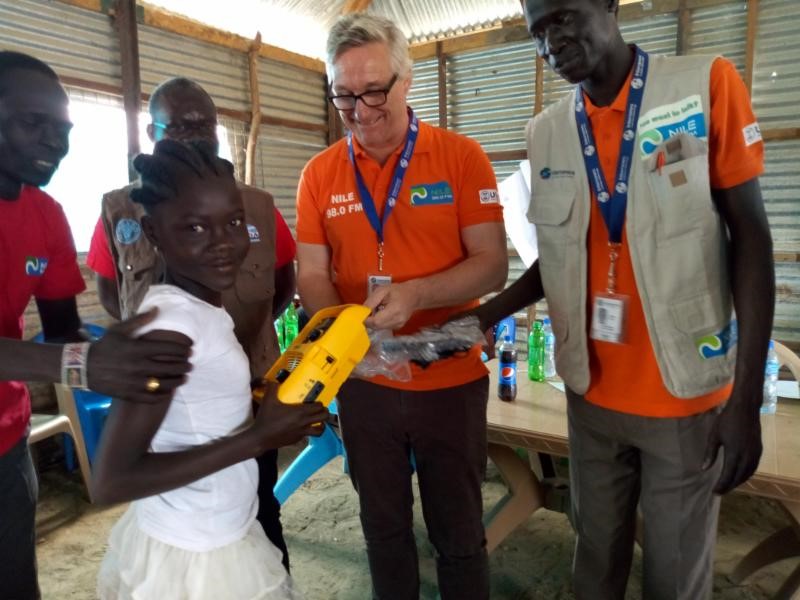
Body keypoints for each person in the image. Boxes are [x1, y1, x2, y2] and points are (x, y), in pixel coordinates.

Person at [472, 1, 775, 598]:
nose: (550, 41)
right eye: (537, 32)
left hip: (685, 396)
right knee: (595, 563)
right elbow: (557, 260)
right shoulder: (548, 131)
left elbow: (752, 237)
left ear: (609, 4)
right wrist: (488, 312)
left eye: (562, 17)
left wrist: (743, 400)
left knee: (675, 575)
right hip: (591, 396)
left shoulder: (704, 85)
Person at [295, 14, 508, 600]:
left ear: (407, 78)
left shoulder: (461, 158)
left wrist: (415, 294)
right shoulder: (318, 175)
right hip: (364, 380)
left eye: (373, 91)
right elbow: (311, 273)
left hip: (449, 377)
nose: (360, 109)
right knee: (383, 531)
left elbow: (492, 264)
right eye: (344, 94)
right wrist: (343, 328)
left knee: (459, 532)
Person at [92, 139, 327, 600]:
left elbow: (195, 404)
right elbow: (111, 480)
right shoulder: (170, 331)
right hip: (197, 558)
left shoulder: (200, 308)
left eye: (234, 222)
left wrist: (256, 399)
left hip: (214, 524)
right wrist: (259, 438)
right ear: (153, 234)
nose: (223, 244)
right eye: (195, 227)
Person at [0, 51, 192, 600]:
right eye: (31, 123)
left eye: (62, 129)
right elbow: (66, 358)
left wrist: (126, 349)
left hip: (6, 443)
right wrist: (87, 365)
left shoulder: (45, 214)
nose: (53, 143)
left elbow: (63, 332)